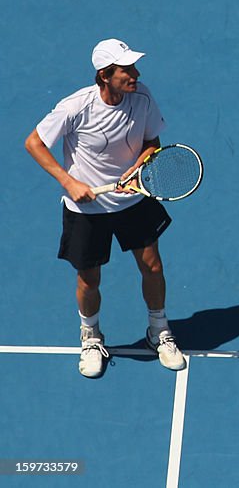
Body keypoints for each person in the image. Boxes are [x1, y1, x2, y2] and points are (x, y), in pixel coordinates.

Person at [25, 39, 186, 378]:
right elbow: (34, 143)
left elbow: (152, 142)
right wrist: (69, 182)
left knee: (152, 266)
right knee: (89, 278)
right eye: (127, 69)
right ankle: (91, 337)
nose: (136, 74)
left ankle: (159, 330)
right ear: (104, 75)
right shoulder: (75, 108)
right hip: (87, 209)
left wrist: (140, 167)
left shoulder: (142, 97)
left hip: (133, 199)